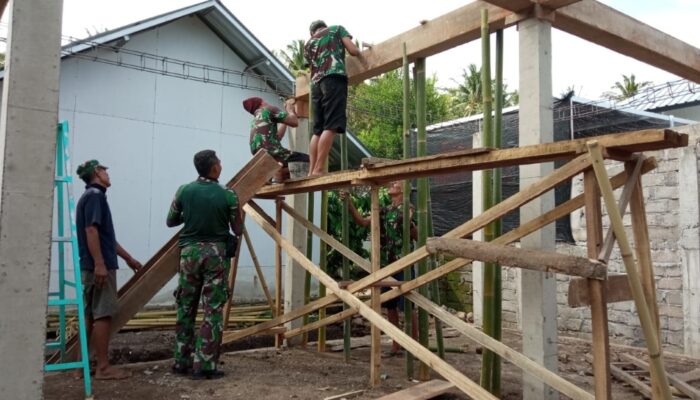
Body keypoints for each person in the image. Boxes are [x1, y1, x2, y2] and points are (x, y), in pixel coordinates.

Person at [166, 150, 243, 380]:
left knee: (185, 306)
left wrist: (189, 215)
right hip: (215, 256)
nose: (221, 164)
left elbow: (171, 220)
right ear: (215, 168)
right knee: (212, 309)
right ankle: (205, 365)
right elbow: (237, 229)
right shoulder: (228, 194)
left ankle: (181, 361)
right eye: (219, 161)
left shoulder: (184, 190)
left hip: (188, 255)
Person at [76, 159, 142, 380]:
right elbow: (91, 232)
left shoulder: (89, 197)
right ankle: (103, 368)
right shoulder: (96, 197)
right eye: (105, 170)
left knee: (89, 315)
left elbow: (107, 238)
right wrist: (100, 264)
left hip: (89, 265)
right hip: (98, 266)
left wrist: (128, 258)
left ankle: (81, 366)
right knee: (102, 314)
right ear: (97, 172)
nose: (108, 174)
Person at [341, 181, 417, 356]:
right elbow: (362, 222)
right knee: (390, 306)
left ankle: (414, 346)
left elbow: (417, 235)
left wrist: (409, 223)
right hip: (385, 265)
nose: (392, 184)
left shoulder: (409, 208)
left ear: (404, 189)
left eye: (396, 183)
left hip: (403, 262)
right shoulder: (382, 210)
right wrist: (350, 203)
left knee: (408, 306)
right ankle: (396, 345)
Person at [303, 19, 361, 176]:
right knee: (331, 125)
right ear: (324, 26)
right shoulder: (336, 29)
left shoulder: (308, 44)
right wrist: (360, 52)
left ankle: (311, 171)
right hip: (333, 78)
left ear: (311, 32)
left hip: (315, 85)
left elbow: (311, 68)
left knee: (318, 130)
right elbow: (353, 51)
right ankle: (319, 169)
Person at [243, 96, 309, 182]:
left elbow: (277, 137)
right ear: (261, 103)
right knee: (309, 161)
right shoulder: (268, 109)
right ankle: (278, 170)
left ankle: (275, 172)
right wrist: (290, 111)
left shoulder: (255, 120)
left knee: (287, 171)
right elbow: (294, 122)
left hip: (262, 159)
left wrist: (285, 116)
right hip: (275, 154)